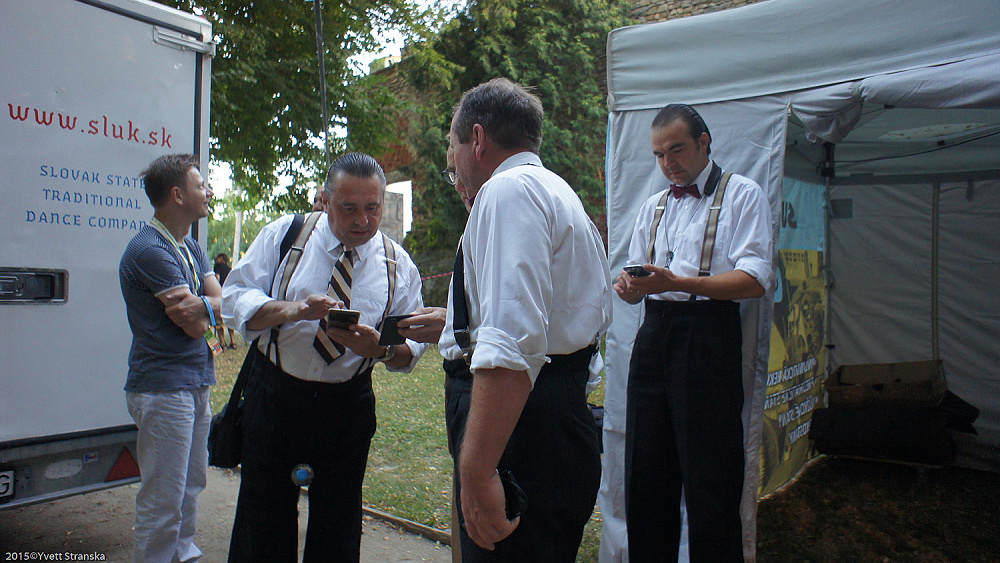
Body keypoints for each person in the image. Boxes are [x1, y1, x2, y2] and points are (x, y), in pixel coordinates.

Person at [221, 152, 428, 562]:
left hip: (346, 409)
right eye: (348, 208)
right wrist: (294, 309)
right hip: (276, 399)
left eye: (373, 208)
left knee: (338, 529)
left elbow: (411, 347)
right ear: (324, 199)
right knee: (262, 526)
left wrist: (381, 351)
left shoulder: (396, 264)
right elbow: (234, 297)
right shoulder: (287, 235)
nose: (363, 221)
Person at [437, 78, 613, 562]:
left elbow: (512, 347)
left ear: (477, 139)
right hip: (550, 418)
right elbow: (555, 323)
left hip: (522, 432)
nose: (455, 171)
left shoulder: (508, 191)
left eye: (453, 153)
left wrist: (477, 473)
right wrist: (455, 324)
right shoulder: (556, 192)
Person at [614, 103, 773, 562]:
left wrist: (677, 283)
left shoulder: (742, 194)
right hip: (654, 338)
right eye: (659, 155)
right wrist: (629, 288)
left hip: (709, 338)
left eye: (677, 150)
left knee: (711, 481)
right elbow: (637, 286)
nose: (668, 164)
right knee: (646, 475)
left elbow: (757, 280)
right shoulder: (654, 206)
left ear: (705, 142)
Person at [119, 153, 221, 563]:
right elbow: (193, 324)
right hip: (163, 388)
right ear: (178, 195)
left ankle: (183, 553)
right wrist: (213, 307)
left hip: (196, 380)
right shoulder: (149, 250)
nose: (209, 191)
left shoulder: (190, 245)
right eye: (201, 186)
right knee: (163, 497)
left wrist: (211, 305)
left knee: (191, 485)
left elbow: (216, 302)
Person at [213, 253, 237, 349]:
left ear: (221, 259)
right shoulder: (229, 269)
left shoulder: (217, 266)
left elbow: (217, 278)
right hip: (230, 296)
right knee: (229, 319)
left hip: (220, 295)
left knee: (219, 321)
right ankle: (233, 342)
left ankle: (222, 344)